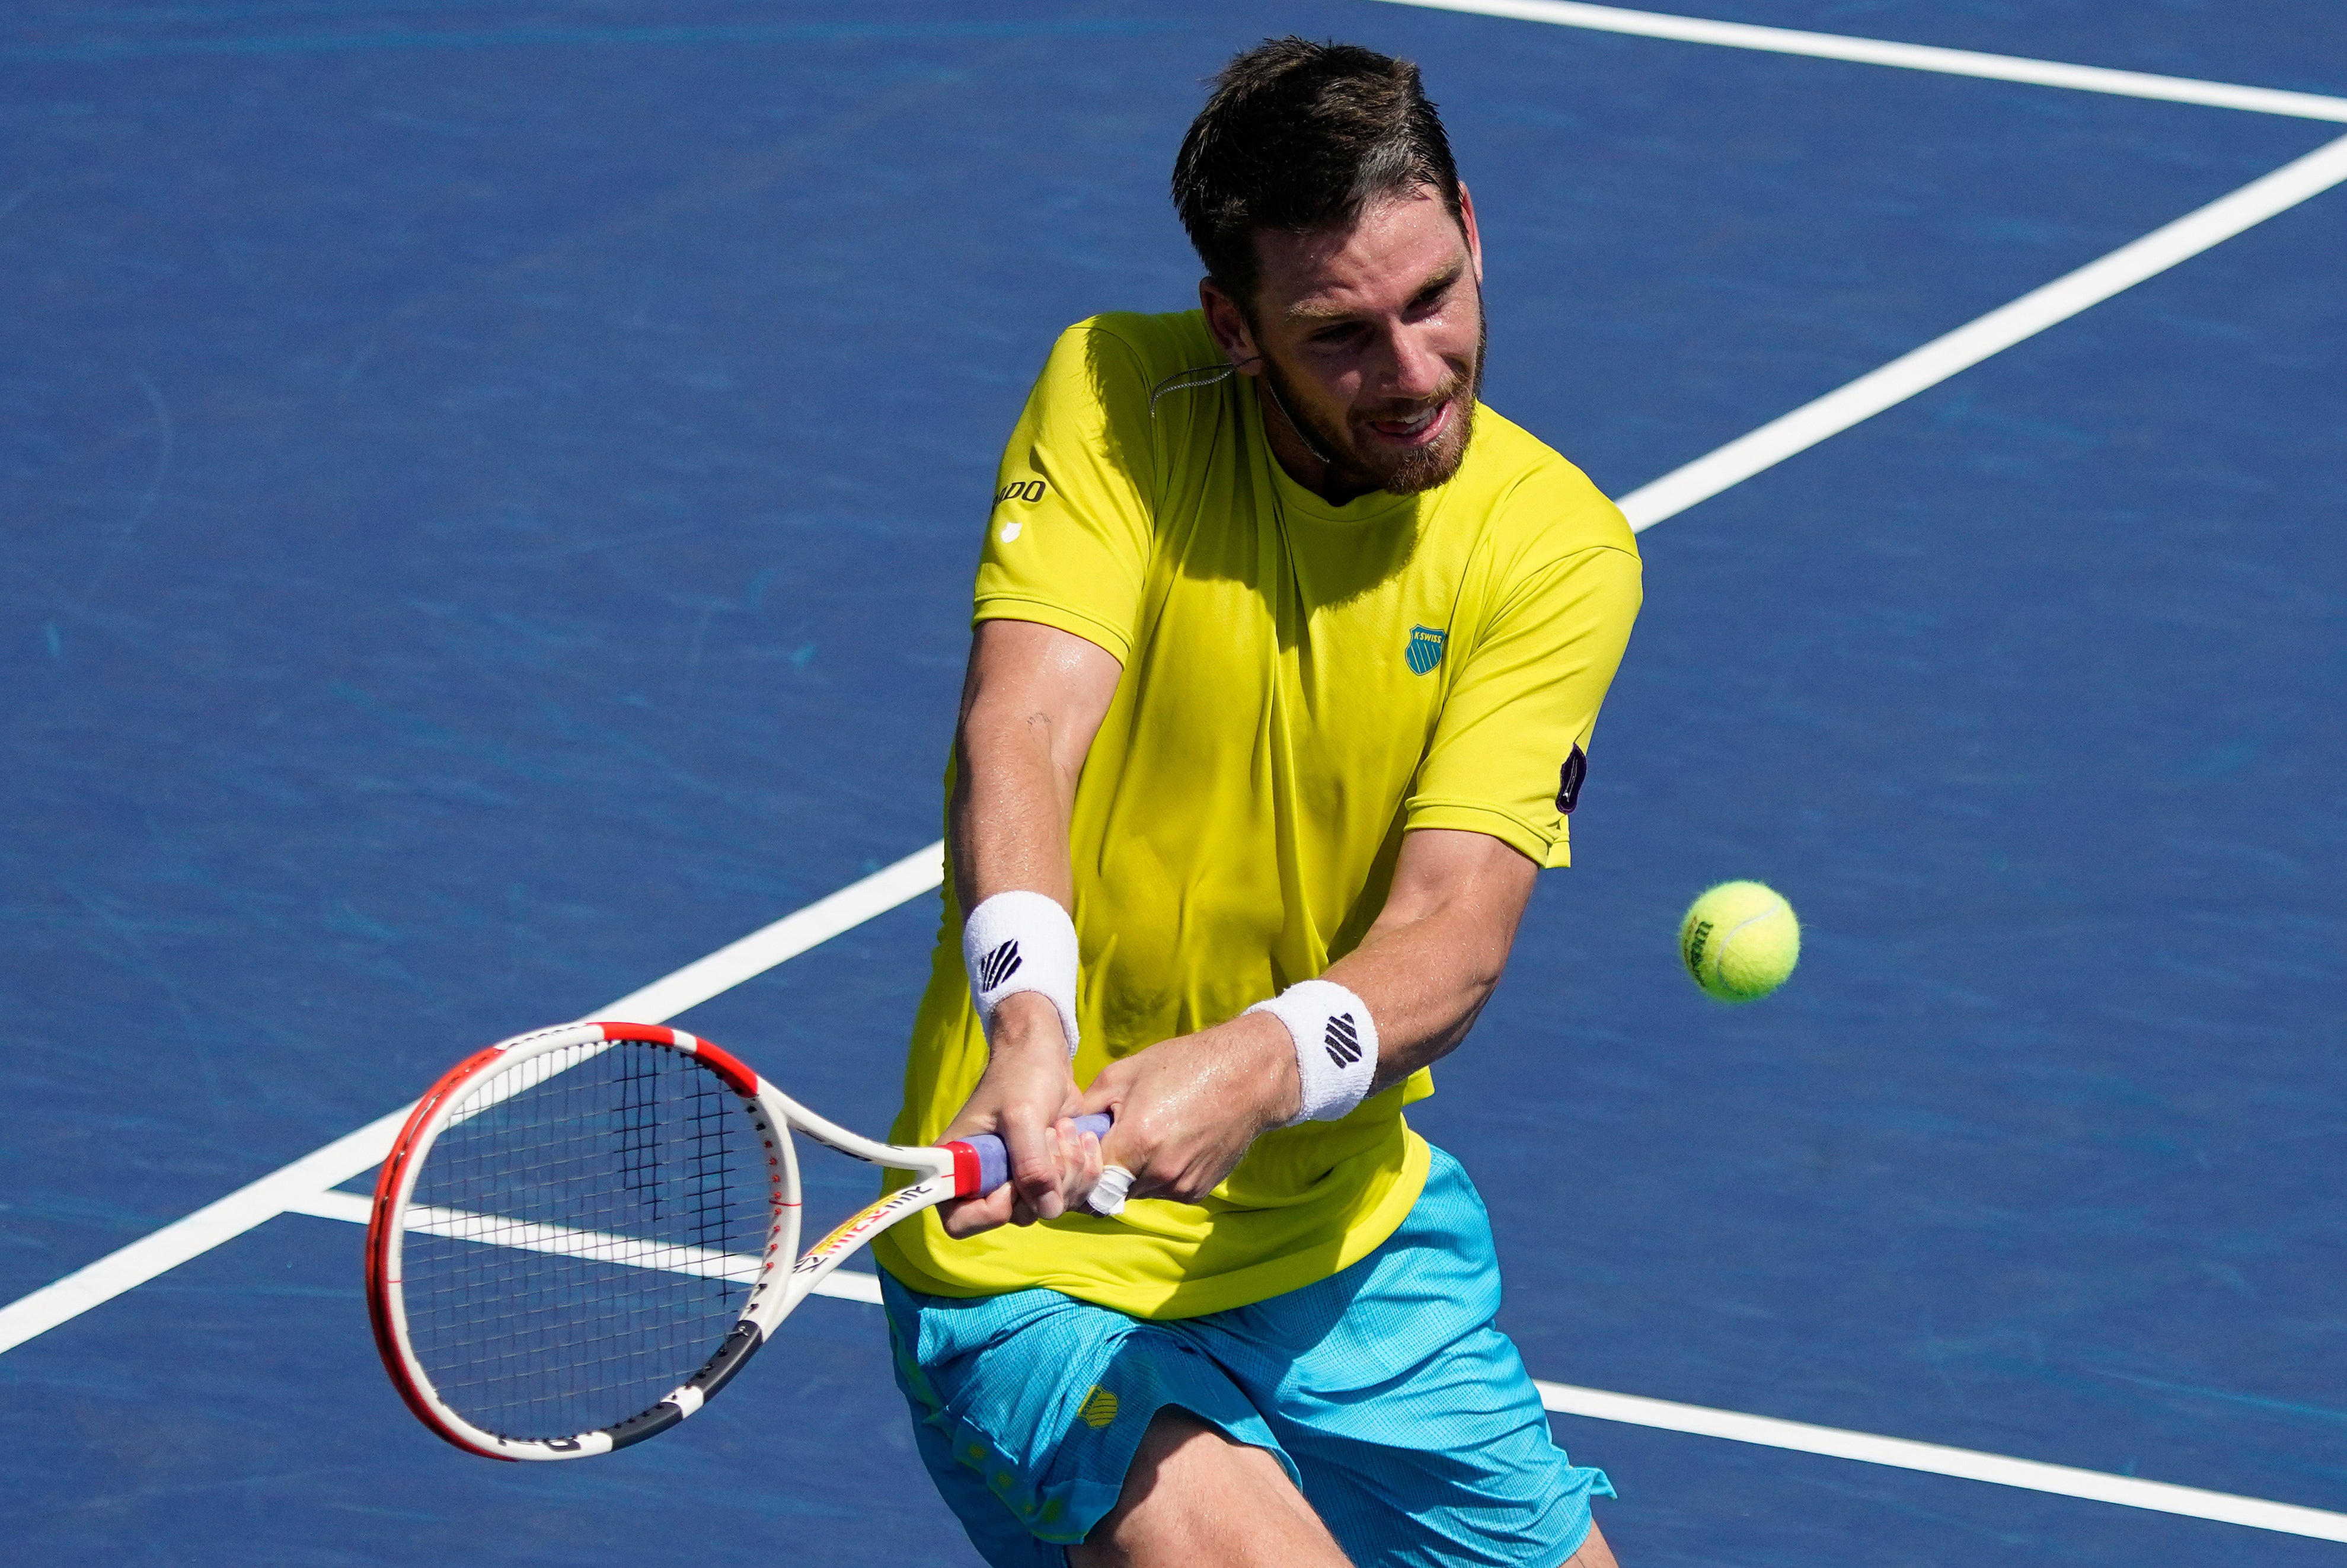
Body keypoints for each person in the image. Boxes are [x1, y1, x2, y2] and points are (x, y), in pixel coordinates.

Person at [870, 36, 1641, 1568]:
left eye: (1434, 299)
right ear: (1233, 326)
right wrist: (1028, 1016)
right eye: (1340, 334)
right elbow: (1023, 719)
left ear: (1473, 228)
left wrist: (1255, 1067)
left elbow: (1453, 938)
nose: (1416, 375)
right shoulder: (1119, 400)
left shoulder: (1559, 549)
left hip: (1350, 1249)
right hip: (1038, 1267)